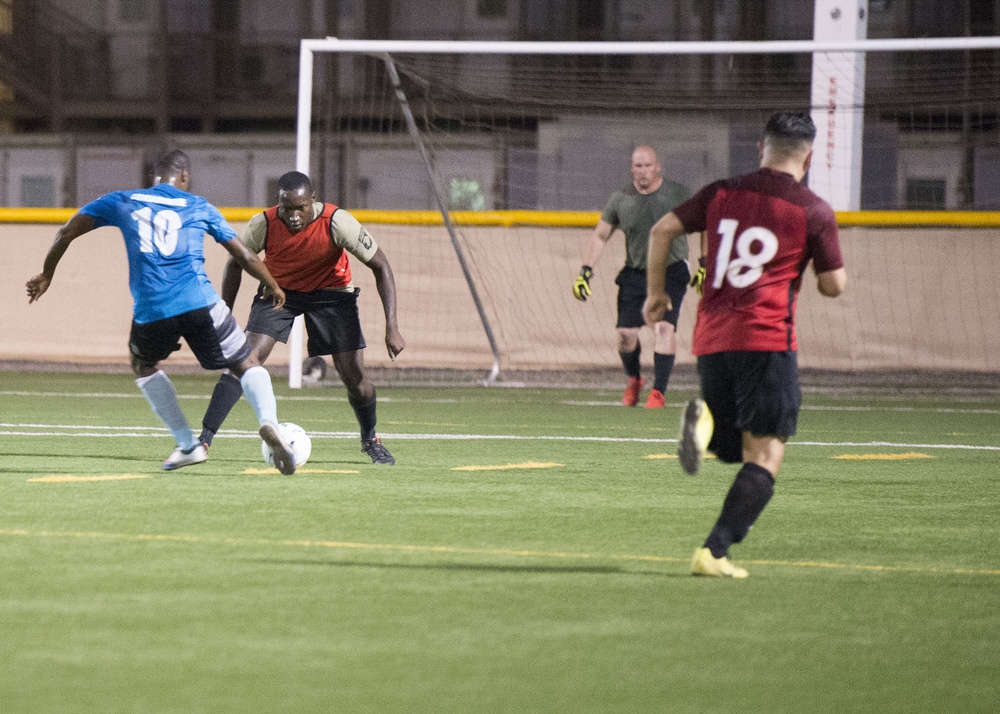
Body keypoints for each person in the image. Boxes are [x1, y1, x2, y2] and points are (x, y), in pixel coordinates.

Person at [643, 111, 847, 579]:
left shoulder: (721, 192)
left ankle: (704, 429)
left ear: (761, 148)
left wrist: (657, 294)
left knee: (736, 449)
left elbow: (661, 231)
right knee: (768, 453)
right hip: (766, 338)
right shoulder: (813, 210)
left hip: (711, 339)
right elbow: (833, 286)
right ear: (809, 158)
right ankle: (713, 552)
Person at [25, 149, 299, 475]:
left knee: (143, 364)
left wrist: (47, 274)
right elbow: (243, 254)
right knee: (246, 363)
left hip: (153, 308)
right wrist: (272, 284)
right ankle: (269, 422)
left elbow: (66, 232)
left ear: (154, 177)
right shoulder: (199, 206)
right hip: (200, 301)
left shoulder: (123, 200)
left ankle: (187, 444)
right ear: (184, 177)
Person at [197, 171, 405, 465]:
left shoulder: (337, 221)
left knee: (355, 379)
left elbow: (381, 266)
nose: (293, 215)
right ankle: (203, 441)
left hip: (332, 293)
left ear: (313, 201)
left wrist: (391, 326)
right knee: (242, 362)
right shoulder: (264, 224)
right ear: (278, 203)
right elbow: (235, 263)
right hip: (280, 292)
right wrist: (224, 314)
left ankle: (371, 438)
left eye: (300, 208)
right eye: (286, 208)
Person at [572, 145, 693, 409]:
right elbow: (601, 235)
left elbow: (705, 224)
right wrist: (585, 272)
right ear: (631, 169)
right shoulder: (620, 199)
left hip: (669, 270)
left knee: (663, 328)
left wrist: (705, 264)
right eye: (638, 166)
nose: (643, 171)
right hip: (635, 272)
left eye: (648, 165)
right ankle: (634, 379)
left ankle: (658, 393)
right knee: (626, 335)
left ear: (658, 166)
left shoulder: (678, 194)